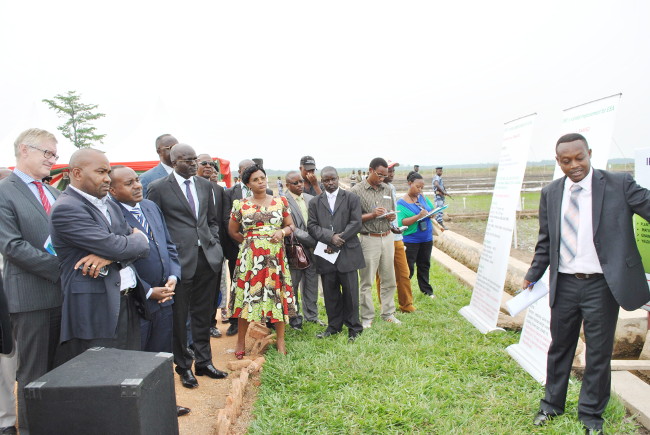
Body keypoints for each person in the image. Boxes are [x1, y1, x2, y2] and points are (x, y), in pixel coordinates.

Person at [525, 133, 650, 434]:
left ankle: (591, 416)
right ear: (558, 162)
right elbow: (546, 240)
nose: (574, 165)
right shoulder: (551, 192)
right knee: (560, 347)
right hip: (565, 283)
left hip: (601, 286)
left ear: (589, 153)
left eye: (579, 157)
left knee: (598, 352)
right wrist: (533, 272)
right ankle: (551, 406)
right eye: (566, 160)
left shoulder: (618, 184)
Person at [51, 149, 151, 365]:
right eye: (101, 172)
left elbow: (141, 247)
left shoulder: (108, 204)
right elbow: (121, 245)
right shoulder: (67, 208)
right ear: (76, 173)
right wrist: (128, 244)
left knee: (129, 370)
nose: (107, 178)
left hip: (126, 301)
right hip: (96, 309)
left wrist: (114, 255)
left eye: (108, 172)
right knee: (102, 377)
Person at [109, 166, 190, 417]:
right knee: (138, 356)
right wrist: (146, 291)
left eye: (137, 180)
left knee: (162, 353)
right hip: (137, 300)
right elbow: (119, 261)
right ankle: (139, 412)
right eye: (128, 183)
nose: (137, 186)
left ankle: (162, 403)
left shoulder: (150, 207)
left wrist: (174, 276)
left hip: (165, 295)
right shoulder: (111, 215)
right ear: (112, 190)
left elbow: (168, 244)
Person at [147, 144, 228, 388]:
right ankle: (184, 367)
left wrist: (212, 241)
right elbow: (154, 224)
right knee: (180, 317)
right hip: (179, 262)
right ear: (173, 162)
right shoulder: (158, 188)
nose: (194, 164)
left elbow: (211, 220)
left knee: (204, 314)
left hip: (207, 259)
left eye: (196, 159)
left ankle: (204, 362)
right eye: (187, 160)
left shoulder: (205, 186)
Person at [0, 128, 62, 435]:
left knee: (61, 372)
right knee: (33, 373)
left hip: (64, 298)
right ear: (25, 150)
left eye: (55, 154)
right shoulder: (4, 191)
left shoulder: (54, 192)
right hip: (30, 298)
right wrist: (62, 268)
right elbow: (11, 246)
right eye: (47, 153)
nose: (53, 160)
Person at [228, 165, 296, 358]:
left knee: (278, 296)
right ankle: (240, 341)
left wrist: (281, 232)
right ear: (248, 184)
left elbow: (291, 226)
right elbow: (232, 231)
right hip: (250, 260)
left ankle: (281, 340)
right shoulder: (240, 204)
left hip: (275, 259)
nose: (261, 182)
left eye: (263, 178)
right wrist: (251, 243)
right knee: (246, 297)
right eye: (256, 180)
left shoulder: (280, 201)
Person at [308, 167, 364, 340]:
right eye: (326, 180)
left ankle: (354, 328)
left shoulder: (351, 198)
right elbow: (312, 226)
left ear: (338, 179)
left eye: (333, 179)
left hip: (347, 252)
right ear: (321, 181)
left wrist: (340, 239)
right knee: (330, 293)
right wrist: (330, 237)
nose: (330, 183)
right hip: (326, 253)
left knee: (351, 293)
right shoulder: (315, 202)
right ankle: (334, 327)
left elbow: (356, 223)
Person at [222, 159, 273, 337]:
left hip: (268, 252)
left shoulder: (271, 194)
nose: (259, 180)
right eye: (248, 172)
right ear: (242, 176)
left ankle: (268, 321)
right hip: (239, 249)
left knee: (268, 285)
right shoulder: (230, 193)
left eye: (260, 176)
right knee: (240, 288)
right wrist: (245, 242)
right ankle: (235, 323)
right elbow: (226, 221)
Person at [350, 158, 401, 328]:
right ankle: (367, 317)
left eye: (384, 176)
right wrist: (372, 215)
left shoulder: (387, 188)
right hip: (368, 238)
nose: (382, 179)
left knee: (389, 278)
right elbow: (352, 218)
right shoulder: (356, 190)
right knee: (367, 281)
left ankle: (388, 313)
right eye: (379, 175)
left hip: (387, 237)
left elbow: (392, 210)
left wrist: (391, 216)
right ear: (370, 170)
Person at [284, 170, 322, 329]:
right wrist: (313, 241)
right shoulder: (282, 201)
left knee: (312, 284)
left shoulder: (310, 198)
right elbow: (289, 227)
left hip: (313, 250)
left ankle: (312, 316)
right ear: (287, 185)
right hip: (294, 249)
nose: (300, 185)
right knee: (292, 285)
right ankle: (295, 319)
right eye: (296, 183)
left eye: (301, 181)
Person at [377, 162, 416, 312]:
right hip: (381, 237)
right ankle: (384, 305)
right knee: (382, 275)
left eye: (393, 171)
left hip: (396, 237)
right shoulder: (374, 189)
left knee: (403, 272)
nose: (391, 174)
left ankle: (406, 304)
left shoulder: (392, 188)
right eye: (389, 171)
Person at [197, 153, 228, 339]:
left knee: (214, 288)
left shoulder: (218, 190)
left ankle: (211, 323)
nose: (209, 166)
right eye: (204, 163)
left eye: (212, 163)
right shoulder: (191, 189)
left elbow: (221, 220)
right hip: (195, 250)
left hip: (215, 248)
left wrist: (217, 245)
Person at [397, 171, 436, 298]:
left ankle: (426, 291)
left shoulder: (422, 197)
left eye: (422, 187)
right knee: (408, 268)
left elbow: (431, 209)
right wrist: (418, 216)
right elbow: (401, 222)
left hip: (426, 238)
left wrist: (433, 213)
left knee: (424, 265)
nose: (420, 190)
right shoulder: (401, 203)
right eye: (417, 187)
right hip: (411, 240)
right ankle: (405, 294)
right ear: (409, 184)